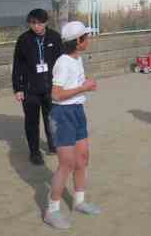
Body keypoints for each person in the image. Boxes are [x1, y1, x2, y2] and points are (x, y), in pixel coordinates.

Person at [44, 22, 99, 230]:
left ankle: (79, 201)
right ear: (77, 41)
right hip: (62, 115)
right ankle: (52, 211)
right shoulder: (63, 62)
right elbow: (56, 95)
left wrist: (85, 86)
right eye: (86, 36)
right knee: (66, 163)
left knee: (82, 158)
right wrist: (83, 88)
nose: (88, 39)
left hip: (77, 111)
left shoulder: (77, 59)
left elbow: (76, 86)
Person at [12, 9, 63, 165]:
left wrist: (62, 84)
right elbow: (17, 65)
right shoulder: (23, 40)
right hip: (30, 89)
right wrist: (18, 88)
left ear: (46, 22)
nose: (36, 26)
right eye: (32, 23)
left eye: (39, 23)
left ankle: (53, 145)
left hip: (50, 87)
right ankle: (34, 152)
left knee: (51, 119)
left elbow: (62, 62)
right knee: (32, 122)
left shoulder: (55, 37)